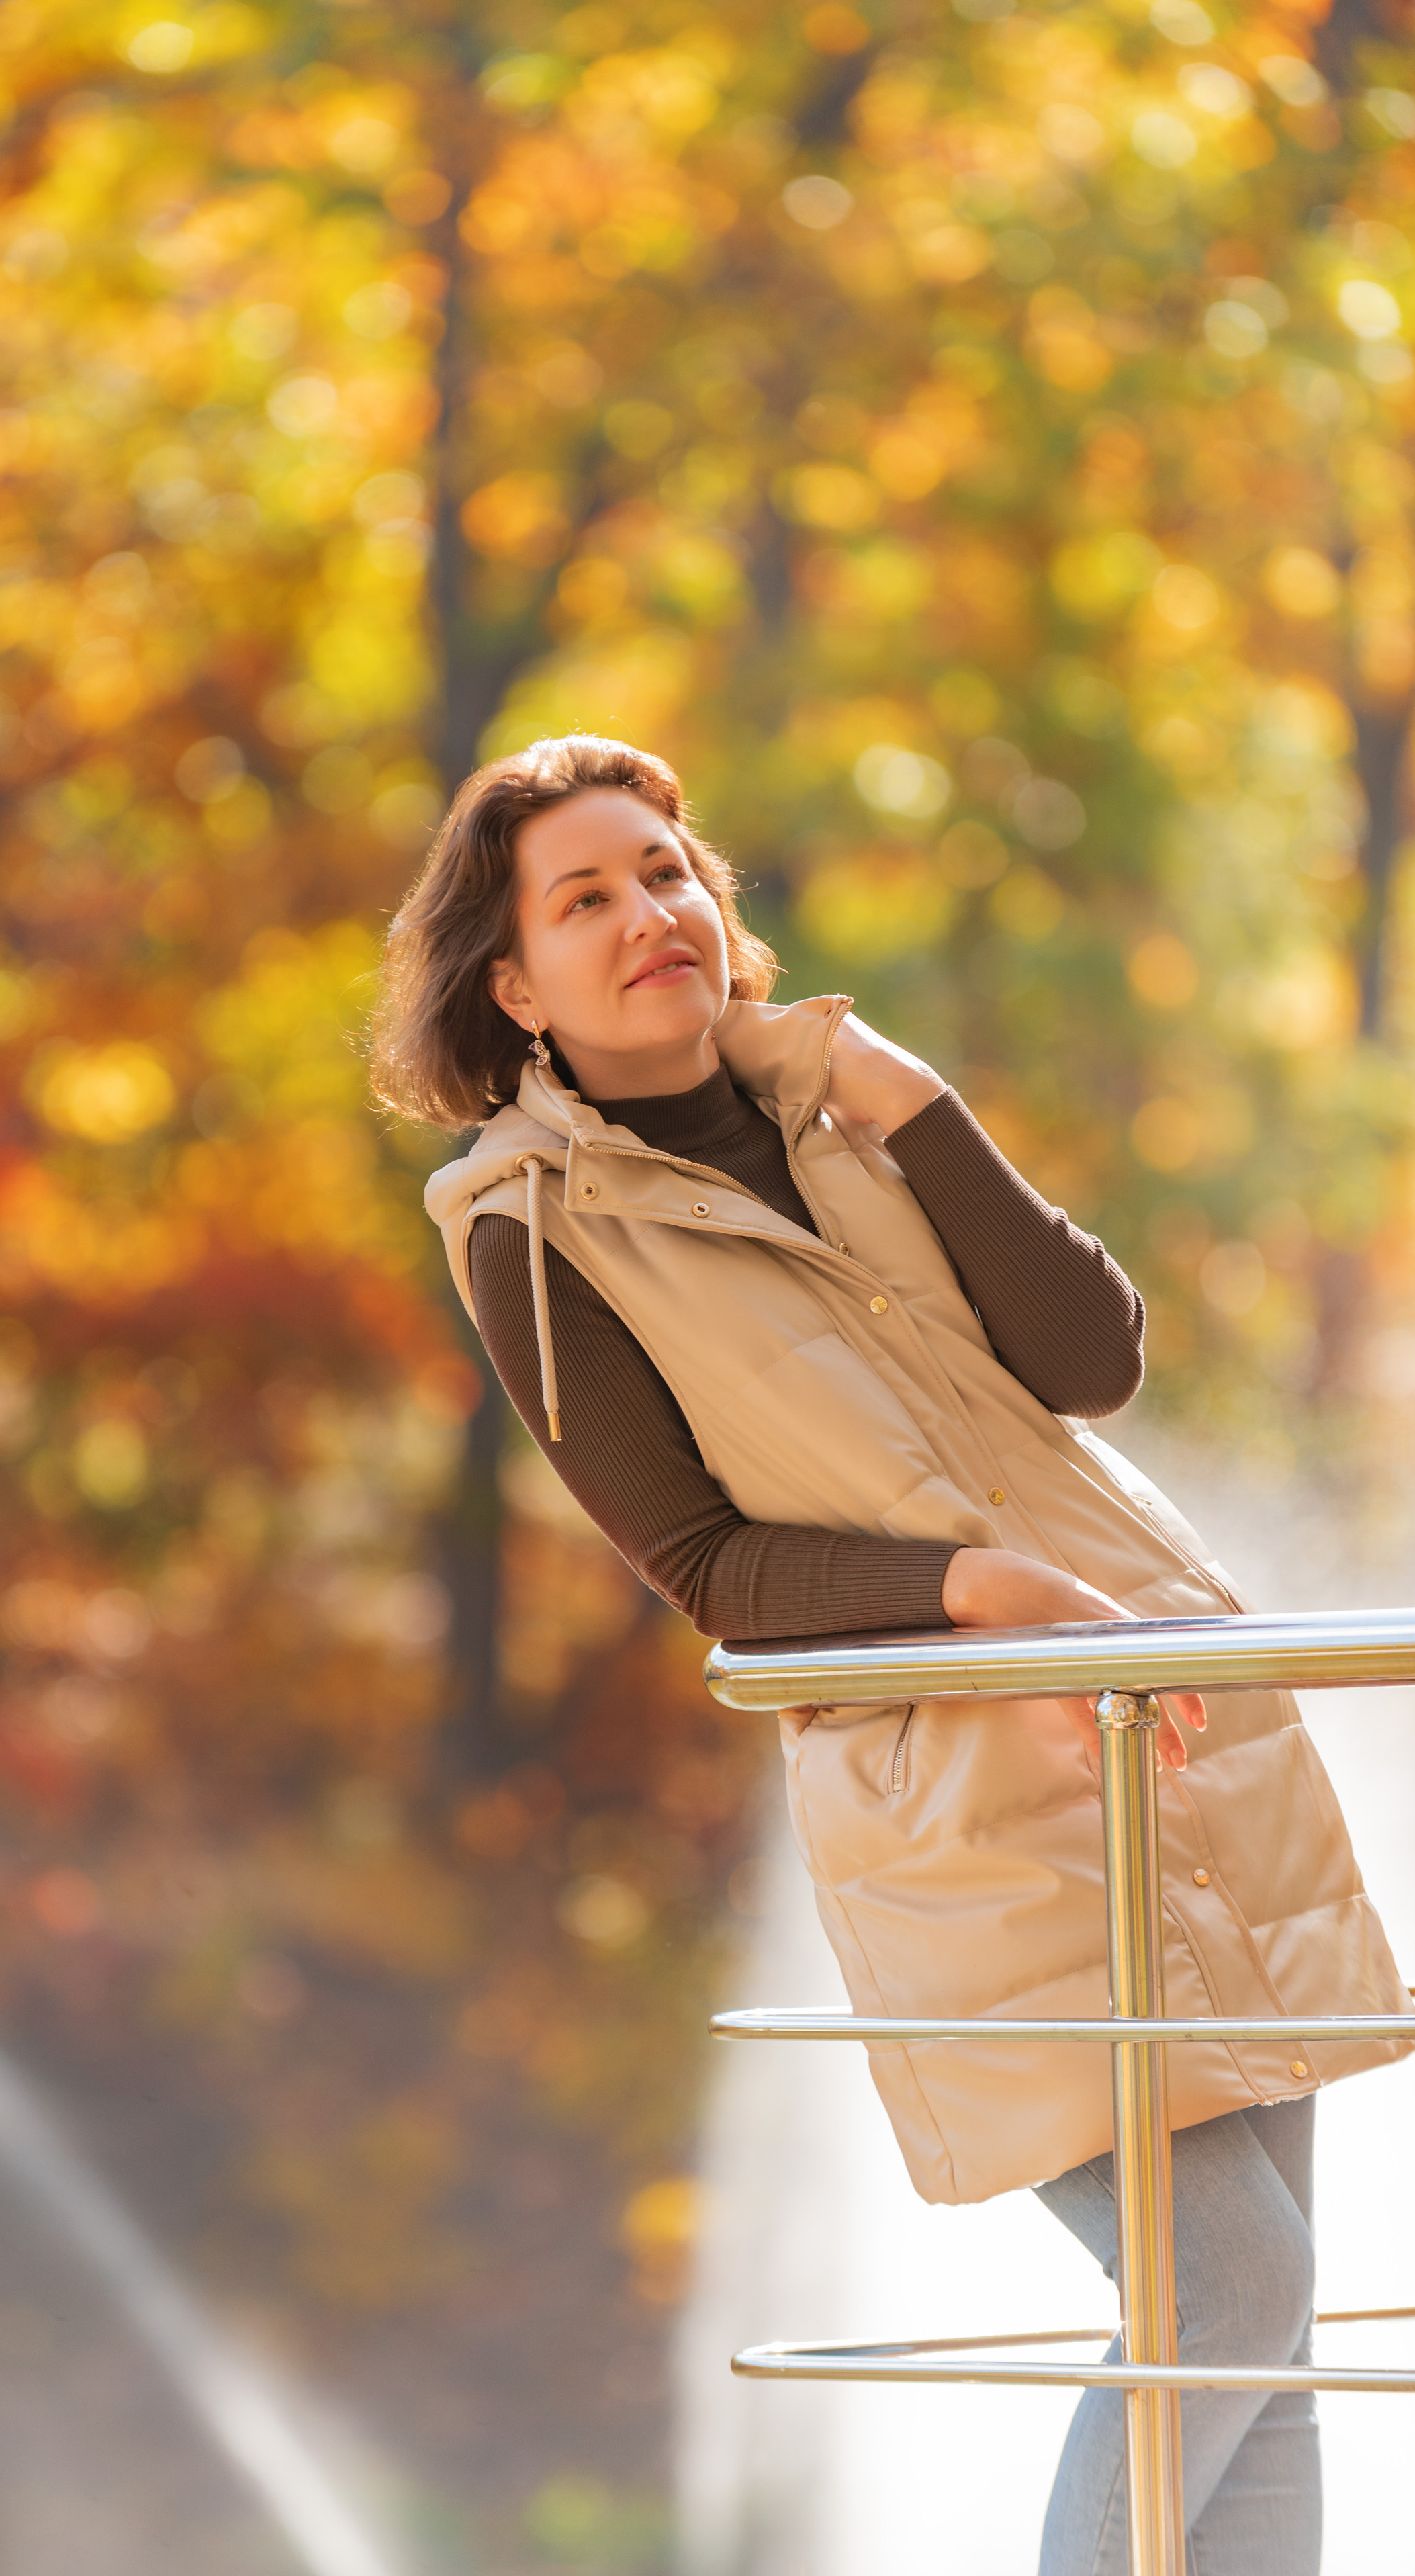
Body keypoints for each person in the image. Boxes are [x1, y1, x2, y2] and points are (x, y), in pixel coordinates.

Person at [372, 731, 1413, 2576]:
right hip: (970, 1792)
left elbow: (1090, 1365)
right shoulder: (530, 1230)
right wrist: (969, 1592)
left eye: (670, 869)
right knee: (1229, 2279)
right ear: (515, 986)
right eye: (585, 897)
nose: (650, 914)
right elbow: (702, 1562)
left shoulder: (857, 1111)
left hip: (1181, 1722)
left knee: (1268, 2337)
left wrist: (923, 1106)